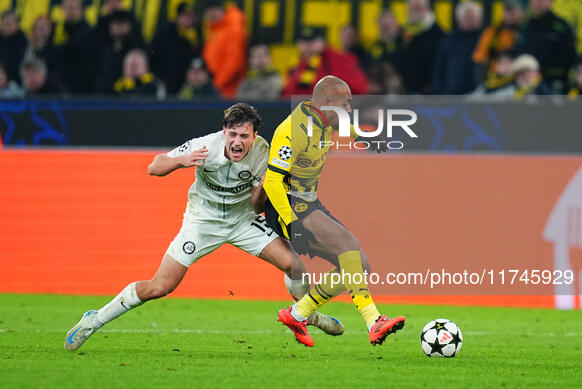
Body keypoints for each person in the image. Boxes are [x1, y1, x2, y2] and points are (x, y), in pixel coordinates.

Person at [64, 103, 344, 351]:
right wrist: (179, 161)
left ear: (254, 136)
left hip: (243, 221)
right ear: (223, 132)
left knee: (294, 265)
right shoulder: (204, 146)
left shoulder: (263, 153)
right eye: (232, 134)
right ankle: (93, 320)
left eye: (244, 136)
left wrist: (268, 184)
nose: (237, 141)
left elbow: (258, 206)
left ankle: (305, 313)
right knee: (160, 286)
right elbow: (154, 167)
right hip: (201, 223)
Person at [264, 76, 405, 348]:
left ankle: (297, 314)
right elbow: (271, 181)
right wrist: (292, 223)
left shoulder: (324, 117)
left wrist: (364, 138)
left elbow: (345, 125)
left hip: (308, 203)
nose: (349, 110)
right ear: (328, 102)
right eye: (347, 104)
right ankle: (373, 320)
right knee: (348, 245)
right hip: (287, 205)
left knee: (360, 266)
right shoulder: (294, 129)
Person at [282, 28, 368, 97]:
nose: (307, 46)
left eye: (312, 42)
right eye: (303, 42)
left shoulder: (339, 59)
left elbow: (360, 88)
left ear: (322, 43)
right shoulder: (297, 65)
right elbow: (288, 95)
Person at [520, 0, 576, 93]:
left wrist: (543, 72)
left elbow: (570, 57)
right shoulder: (525, 25)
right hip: (527, 80)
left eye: (542, 0)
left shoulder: (561, 27)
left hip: (553, 81)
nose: (538, 3)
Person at [396, 0, 446, 94]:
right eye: (413, 8)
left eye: (419, 7)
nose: (415, 10)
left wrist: (433, 84)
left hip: (428, 92)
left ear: (427, 9)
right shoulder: (403, 32)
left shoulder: (438, 34)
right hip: (406, 91)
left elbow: (441, 63)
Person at [433, 1, 483, 94]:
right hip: (452, 95)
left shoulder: (487, 39)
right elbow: (438, 69)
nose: (470, 20)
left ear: (480, 18)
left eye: (473, 17)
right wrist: (440, 91)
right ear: (459, 20)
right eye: (467, 17)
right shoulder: (449, 42)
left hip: (479, 95)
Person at [150, 2, 200, 94]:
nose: (188, 20)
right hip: (163, 84)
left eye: (191, 16)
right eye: (185, 16)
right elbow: (152, 56)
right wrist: (158, 78)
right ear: (178, 17)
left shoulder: (195, 35)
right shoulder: (165, 33)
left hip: (184, 86)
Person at [201, 0, 248, 98]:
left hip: (227, 89)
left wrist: (216, 84)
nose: (211, 14)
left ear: (221, 9)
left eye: (214, 10)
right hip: (215, 86)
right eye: (208, 11)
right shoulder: (214, 28)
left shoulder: (233, 28)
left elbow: (234, 62)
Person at [472, 0, 524, 79]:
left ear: (521, 14)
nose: (510, 15)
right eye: (507, 12)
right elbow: (479, 57)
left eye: (513, 13)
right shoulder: (492, 32)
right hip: (494, 74)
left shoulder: (526, 32)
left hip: (519, 76)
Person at [51, 0, 92, 93]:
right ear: (62, 9)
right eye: (68, 7)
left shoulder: (88, 32)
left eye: (74, 7)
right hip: (59, 83)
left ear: (81, 10)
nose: (71, 11)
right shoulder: (55, 29)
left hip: (82, 84)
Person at [0, 10, 27, 85]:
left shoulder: (22, 40)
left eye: (11, 24)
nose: (8, 27)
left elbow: (19, 64)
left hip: (15, 81)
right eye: (6, 23)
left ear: (17, 24)